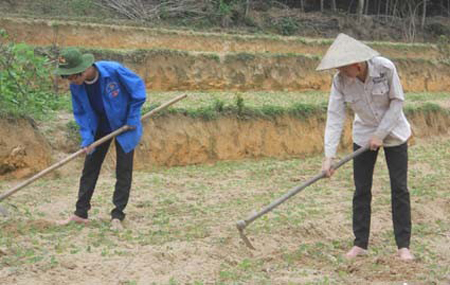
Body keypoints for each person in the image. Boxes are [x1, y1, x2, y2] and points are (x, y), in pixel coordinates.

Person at [317, 34, 414, 261]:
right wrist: (328, 156)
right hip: (363, 133)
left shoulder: (385, 68)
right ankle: (360, 243)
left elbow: (397, 102)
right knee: (361, 189)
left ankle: (403, 246)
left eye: (342, 67)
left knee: (399, 188)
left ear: (357, 64)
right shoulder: (340, 81)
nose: (339, 72)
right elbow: (335, 116)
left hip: (394, 132)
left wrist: (380, 135)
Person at [55, 47, 146, 230]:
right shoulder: (76, 86)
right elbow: (80, 112)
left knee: (123, 170)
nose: (71, 82)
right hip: (99, 128)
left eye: (73, 77)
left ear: (84, 69)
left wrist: (131, 118)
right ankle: (80, 213)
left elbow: (138, 91)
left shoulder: (113, 71)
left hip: (125, 125)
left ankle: (117, 215)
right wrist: (87, 137)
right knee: (90, 168)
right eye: (68, 78)